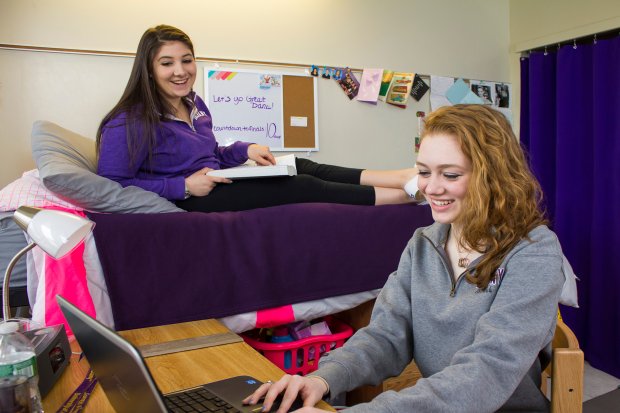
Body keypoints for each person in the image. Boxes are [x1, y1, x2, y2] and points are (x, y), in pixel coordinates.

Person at [244, 104, 565, 412]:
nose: (431, 188)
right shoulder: (423, 244)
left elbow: (487, 372)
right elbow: (385, 336)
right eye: (424, 172)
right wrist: (320, 379)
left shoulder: (534, 251)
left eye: (450, 175)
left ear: (492, 176)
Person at [96, 25, 416, 212]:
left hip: (218, 177)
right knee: (301, 185)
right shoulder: (129, 120)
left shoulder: (193, 102)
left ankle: (402, 176)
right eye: (167, 63)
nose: (180, 71)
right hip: (195, 198)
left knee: (300, 164)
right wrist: (184, 186)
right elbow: (111, 186)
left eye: (187, 60)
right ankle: (403, 197)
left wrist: (244, 150)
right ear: (149, 70)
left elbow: (211, 154)